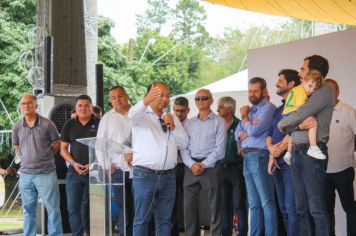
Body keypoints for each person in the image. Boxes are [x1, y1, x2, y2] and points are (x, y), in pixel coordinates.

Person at [278, 55, 334, 236]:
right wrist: (295, 125)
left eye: (303, 68)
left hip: (312, 153)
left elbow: (301, 113)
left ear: (313, 71)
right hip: (297, 151)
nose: (300, 72)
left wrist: (284, 124)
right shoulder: (305, 91)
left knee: (316, 208)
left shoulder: (324, 91)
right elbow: (298, 120)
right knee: (301, 208)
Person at [126, 82, 188, 236]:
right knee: (142, 219)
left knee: (165, 220)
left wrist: (173, 126)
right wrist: (145, 101)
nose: (165, 98)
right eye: (160, 94)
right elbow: (131, 114)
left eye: (167, 95)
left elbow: (184, 143)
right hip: (144, 175)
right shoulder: (140, 116)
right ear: (149, 95)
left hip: (168, 176)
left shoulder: (172, 117)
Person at [12, 94, 63, 236]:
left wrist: (45, 156)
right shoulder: (16, 126)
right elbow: (16, 145)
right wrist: (24, 158)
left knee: (52, 209)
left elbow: (56, 143)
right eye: (23, 104)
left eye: (29, 103)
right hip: (25, 175)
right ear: (20, 107)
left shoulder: (48, 124)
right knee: (28, 210)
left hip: (46, 173)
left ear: (36, 105)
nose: (26, 106)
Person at [235, 77, 277, 236]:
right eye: (250, 91)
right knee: (253, 203)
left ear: (264, 91)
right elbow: (237, 135)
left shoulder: (268, 108)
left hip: (260, 156)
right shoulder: (251, 110)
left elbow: (253, 132)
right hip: (247, 157)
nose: (252, 94)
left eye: (255, 91)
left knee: (266, 202)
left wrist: (245, 118)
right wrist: (247, 125)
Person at [181, 89, 227, 236]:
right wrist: (192, 164)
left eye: (204, 98)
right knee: (189, 207)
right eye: (197, 99)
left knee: (215, 206)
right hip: (191, 168)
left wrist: (203, 164)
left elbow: (220, 149)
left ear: (211, 100)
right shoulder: (189, 123)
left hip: (211, 168)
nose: (200, 101)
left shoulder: (219, 122)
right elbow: (183, 146)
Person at [96, 85, 134, 236]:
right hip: (118, 170)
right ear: (110, 100)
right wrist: (106, 165)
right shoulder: (107, 118)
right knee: (123, 207)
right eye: (113, 98)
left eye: (120, 96)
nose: (117, 100)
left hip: (139, 169)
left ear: (127, 95)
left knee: (141, 207)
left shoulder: (138, 114)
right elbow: (99, 143)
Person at [60, 94, 100, 236]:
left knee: (92, 207)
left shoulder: (100, 123)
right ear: (75, 108)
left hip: (95, 173)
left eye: (86, 105)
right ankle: (77, 234)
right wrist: (74, 163)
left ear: (91, 107)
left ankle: (90, 232)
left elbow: (104, 149)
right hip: (73, 172)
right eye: (80, 106)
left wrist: (93, 164)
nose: (83, 108)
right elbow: (63, 149)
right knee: (73, 208)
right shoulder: (69, 124)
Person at [267, 69, 300, 236]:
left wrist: (277, 150)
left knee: (292, 209)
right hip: (277, 164)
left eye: (280, 80)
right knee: (284, 210)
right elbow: (269, 134)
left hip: (290, 163)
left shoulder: (299, 106)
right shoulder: (278, 109)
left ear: (291, 84)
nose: (276, 83)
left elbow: (294, 131)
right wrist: (272, 151)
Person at [324, 78, 356, 236]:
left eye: (331, 90)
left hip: (343, 169)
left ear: (337, 92)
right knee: (327, 210)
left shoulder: (348, 110)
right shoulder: (319, 111)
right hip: (323, 171)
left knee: (350, 208)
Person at [217, 96, 248, 236]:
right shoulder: (218, 125)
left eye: (220, 107)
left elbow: (243, 148)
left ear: (229, 108)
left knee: (239, 204)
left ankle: (242, 232)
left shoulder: (240, 124)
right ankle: (225, 233)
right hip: (221, 169)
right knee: (224, 205)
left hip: (237, 168)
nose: (217, 109)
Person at [282, 70, 326, 164]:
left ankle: (288, 153)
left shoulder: (297, 89)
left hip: (286, 115)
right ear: (303, 81)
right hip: (292, 113)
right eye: (310, 86)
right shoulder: (301, 91)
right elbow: (302, 108)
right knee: (313, 122)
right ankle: (313, 147)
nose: (311, 90)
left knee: (291, 134)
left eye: (314, 89)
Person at [171, 96, 190, 235]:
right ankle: (174, 230)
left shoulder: (192, 125)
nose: (179, 114)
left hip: (186, 166)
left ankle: (186, 228)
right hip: (171, 166)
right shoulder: (167, 122)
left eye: (182, 111)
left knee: (187, 200)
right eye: (176, 110)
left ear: (188, 110)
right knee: (172, 200)